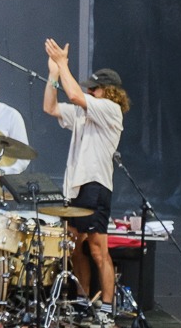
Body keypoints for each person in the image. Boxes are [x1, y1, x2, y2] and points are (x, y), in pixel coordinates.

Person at [43, 40, 129, 307]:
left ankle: (105, 305)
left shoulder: (110, 110)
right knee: (74, 245)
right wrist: (53, 75)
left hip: (96, 185)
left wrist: (64, 64)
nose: (89, 90)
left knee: (96, 248)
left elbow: (75, 96)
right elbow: (51, 107)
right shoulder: (84, 112)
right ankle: (81, 298)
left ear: (109, 91)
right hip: (75, 186)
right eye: (89, 87)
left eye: (94, 88)